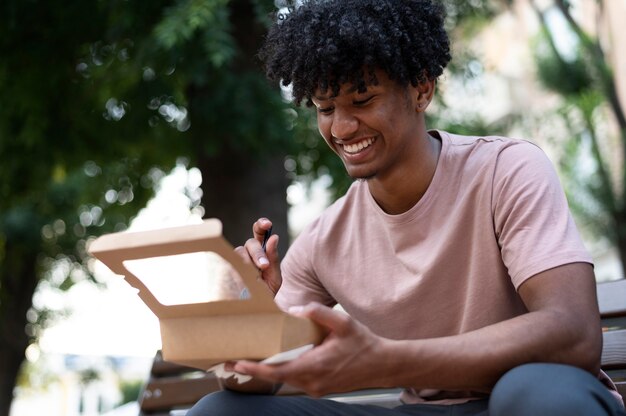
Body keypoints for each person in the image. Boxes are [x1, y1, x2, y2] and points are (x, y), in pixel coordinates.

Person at [188, 0, 625, 415]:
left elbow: (573, 332)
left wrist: (391, 360)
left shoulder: (505, 171)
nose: (340, 127)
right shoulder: (326, 239)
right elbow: (256, 381)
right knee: (219, 410)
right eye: (325, 108)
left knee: (533, 395)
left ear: (421, 90)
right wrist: (250, 321)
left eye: (362, 101)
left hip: (527, 400)